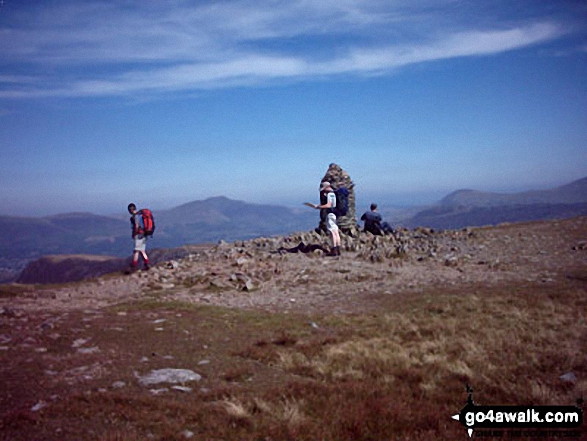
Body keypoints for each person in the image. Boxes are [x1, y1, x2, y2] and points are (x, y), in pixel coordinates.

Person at [310, 181, 341, 256]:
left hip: (330, 214)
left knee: (332, 232)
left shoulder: (330, 194)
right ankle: (338, 249)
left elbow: (328, 205)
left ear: (327, 187)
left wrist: (318, 207)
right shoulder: (334, 194)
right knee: (336, 232)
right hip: (335, 213)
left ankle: (333, 250)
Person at [127, 203, 150, 271]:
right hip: (144, 234)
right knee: (142, 250)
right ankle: (146, 264)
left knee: (136, 250)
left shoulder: (135, 216)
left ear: (130, 210)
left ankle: (133, 266)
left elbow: (136, 226)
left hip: (139, 234)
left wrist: (134, 234)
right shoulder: (141, 215)